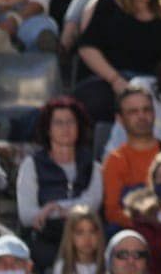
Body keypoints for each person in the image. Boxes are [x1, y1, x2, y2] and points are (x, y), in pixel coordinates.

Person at [102, 83, 161, 228]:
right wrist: (154, 228)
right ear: (120, 119)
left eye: (146, 109)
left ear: (154, 113)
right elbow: (113, 212)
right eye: (133, 112)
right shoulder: (115, 160)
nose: (141, 116)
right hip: (138, 234)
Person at [18, 97, 101, 253]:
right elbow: (27, 215)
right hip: (45, 241)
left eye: (71, 122)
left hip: (84, 242)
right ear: (48, 129)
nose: (65, 128)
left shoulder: (92, 164)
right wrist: (70, 210)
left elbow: (93, 204)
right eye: (58, 123)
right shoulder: (31, 165)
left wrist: (52, 208)